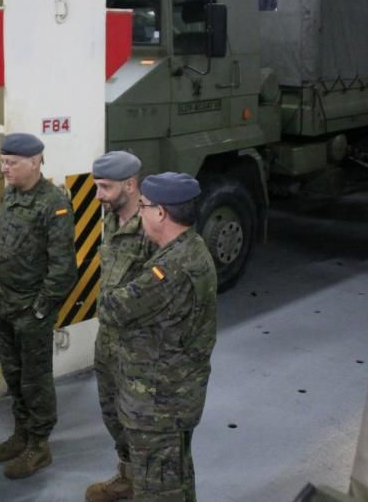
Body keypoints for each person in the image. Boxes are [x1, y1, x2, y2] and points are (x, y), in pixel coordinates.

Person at [99, 172, 218, 502]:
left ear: (161, 213)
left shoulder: (171, 269)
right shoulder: (190, 248)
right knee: (175, 477)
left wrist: (112, 266)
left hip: (158, 405)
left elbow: (111, 308)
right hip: (174, 394)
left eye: (145, 207)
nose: (140, 214)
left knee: (157, 489)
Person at [0, 133, 75, 480]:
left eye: (12, 163)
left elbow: (63, 268)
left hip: (30, 312)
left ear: (35, 162)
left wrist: (40, 309)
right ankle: (20, 433)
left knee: (36, 380)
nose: (5, 168)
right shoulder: (10, 195)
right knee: (14, 375)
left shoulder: (54, 203)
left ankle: (39, 445)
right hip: (3, 306)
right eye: (3, 161)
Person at [86, 151, 153, 502]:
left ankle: (149, 486)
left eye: (105, 187)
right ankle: (127, 476)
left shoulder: (152, 227)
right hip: (109, 339)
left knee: (141, 421)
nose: (98, 195)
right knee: (112, 413)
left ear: (130, 185)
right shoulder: (110, 217)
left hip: (139, 347)